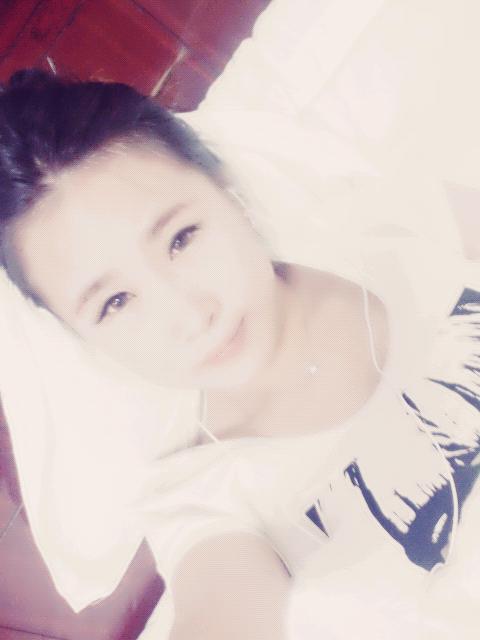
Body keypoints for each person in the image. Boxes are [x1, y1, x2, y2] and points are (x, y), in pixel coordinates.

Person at [1, 1, 479, 638]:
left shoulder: (385, 218)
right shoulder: (202, 503)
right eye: (114, 303)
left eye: (181, 238)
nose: (188, 313)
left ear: (228, 192)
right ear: (82, 337)